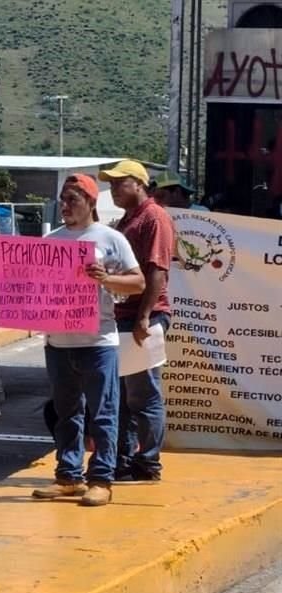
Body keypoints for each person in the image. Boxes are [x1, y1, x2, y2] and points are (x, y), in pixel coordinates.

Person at [31, 175, 145, 507]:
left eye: (72, 199)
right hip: (58, 343)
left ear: (91, 202)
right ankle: (68, 476)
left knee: (103, 413)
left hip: (98, 342)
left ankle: (101, 478)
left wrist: (105, 278)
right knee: (66, 412)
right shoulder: (50, 240)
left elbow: (138, 282)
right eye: (63, 200)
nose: (65, 206)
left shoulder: (111, 239)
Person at [99, 160, 176, 482]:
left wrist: (144, 316)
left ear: (140, 184)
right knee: (122, 396)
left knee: (143, 395)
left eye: (120, 183)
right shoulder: (128, 219)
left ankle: (148, 463)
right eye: (111, 184)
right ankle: (123, 459)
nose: (114, 189)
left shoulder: (154, 217)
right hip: (124, 317)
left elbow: (157, 271)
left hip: (143, 316)